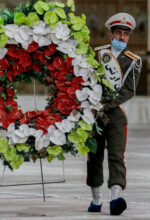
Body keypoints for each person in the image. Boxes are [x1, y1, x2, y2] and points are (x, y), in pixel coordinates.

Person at [87, 13, 142, 215]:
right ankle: (95, 199)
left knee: (116, 156)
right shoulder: (99, 54)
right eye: (118, 32)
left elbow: (129, 91)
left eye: (125, 34)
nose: (121, 37)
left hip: (117, 114)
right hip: (95, 114)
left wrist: (106, 104)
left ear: (128, 37)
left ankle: (115, 199)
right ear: (111, 34)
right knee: (94, 155)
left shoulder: (133, 61)